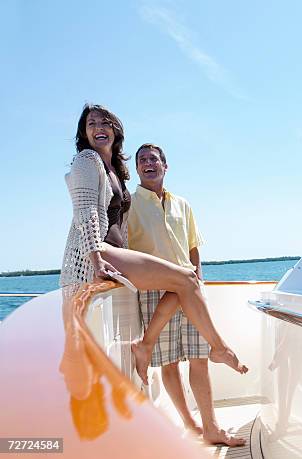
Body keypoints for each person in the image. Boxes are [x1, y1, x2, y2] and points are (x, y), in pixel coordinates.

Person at [60, 104, 247, 379]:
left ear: (115, 130)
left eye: (104, 122)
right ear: (84, 134)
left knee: (186, 280)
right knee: (185, 281)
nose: (98, 127)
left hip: (114, 252)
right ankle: (219, 348)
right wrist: (96, 259)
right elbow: (85, 209)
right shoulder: (87, 160)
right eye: (91, 124)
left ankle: (150, 346)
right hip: (98, 252)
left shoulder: (116, 170)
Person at [128, 143, 245, 446]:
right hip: (154, 290)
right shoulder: (129, 204)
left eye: (153, 159)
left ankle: (212, 427)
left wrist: (199, 282)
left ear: (165, 166)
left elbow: (194, 246)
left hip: (189, 291)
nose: (147, 163)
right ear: (136, 169)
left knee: (199, 358)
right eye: (142, 160)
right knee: (169, 363)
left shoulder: (183, 204)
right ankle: (190, 423)